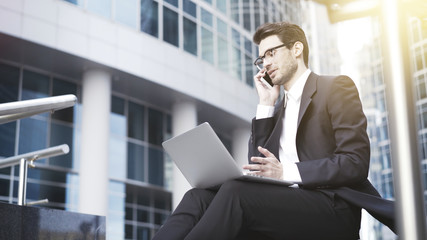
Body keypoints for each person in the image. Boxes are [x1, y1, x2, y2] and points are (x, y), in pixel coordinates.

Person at [152, 22, 395, 240]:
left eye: (271, 53)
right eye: (261, 59)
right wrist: (266, 105)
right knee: (198, 196)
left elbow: (355, 162)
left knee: (236, 192)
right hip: (284, 206)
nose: (265, 63)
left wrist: (284, 172)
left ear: (296, 49)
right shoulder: (277, 109)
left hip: (333, 208)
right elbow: (259, 167)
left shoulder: (335, 87)